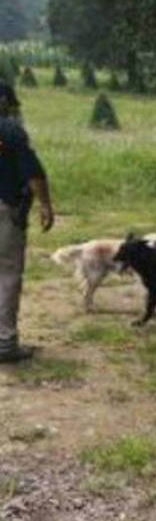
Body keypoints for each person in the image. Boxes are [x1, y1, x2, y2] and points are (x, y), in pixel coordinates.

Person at [0, 82, 55, 363]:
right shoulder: (10, 131)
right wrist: (45, 204)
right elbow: (33, 172)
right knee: (7, 274)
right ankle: (5, 344)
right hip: (6, 208)